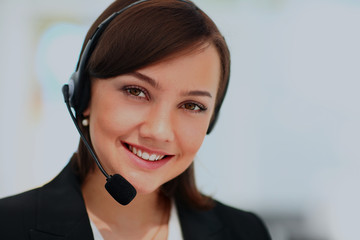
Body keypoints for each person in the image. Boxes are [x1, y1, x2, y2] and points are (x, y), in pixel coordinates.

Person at [0, 0, 271, 239]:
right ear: (83, 96)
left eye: (192, 105)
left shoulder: (245, 231)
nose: (159, 131)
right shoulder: (8, 227)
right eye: (136, 91)